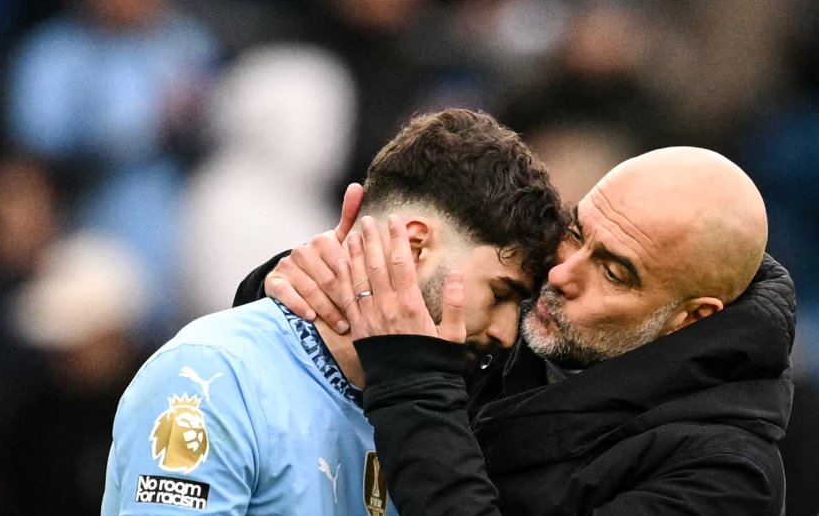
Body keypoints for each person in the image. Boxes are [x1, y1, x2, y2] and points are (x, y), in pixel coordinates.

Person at [250, 146, 793, 514]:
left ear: (691, 318)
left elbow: (409, 375)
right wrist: (309, 291)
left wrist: (413, 383)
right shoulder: (518, 308)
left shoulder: (724, 477)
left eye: (612, 271)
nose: (561, 274)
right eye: (576, 232)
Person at [102, 109, 565, 514]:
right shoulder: (213, 376)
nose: (508, 333)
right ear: (413, 247)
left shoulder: (450, 423)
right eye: (500, 293)